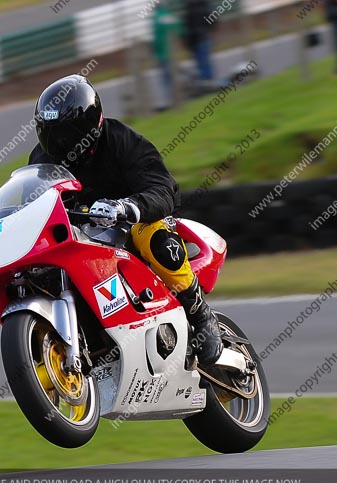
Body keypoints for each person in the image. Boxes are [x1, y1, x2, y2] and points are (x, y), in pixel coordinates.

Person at [28, 74, 223, 366]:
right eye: (51, 133)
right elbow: (31, 204)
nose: (59, 143)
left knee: (154, 238)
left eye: (66, 134)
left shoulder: (122, 141)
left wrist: (127, 207)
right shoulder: (42, 160)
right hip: (79, 236)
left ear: (90, 125)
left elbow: (163, 188)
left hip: (132, 226)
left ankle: (200, 314)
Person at [152, 1, 181, 109]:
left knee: (166, 78)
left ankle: (170, 99)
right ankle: (178, 97)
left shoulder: (156, 18)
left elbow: (157, 39)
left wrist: (156, 52)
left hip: (163, 53)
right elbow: (179, 28)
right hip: (173, 51)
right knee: (174, 75)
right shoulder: (170, 15)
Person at [182, 0, 216, 86]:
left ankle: (208, 82)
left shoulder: (192, 8)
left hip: (198, 39)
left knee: (203, 63)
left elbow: (188, 25)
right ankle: (208, 81)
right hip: (200, 39)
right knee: (203, 62)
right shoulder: (201, 7)